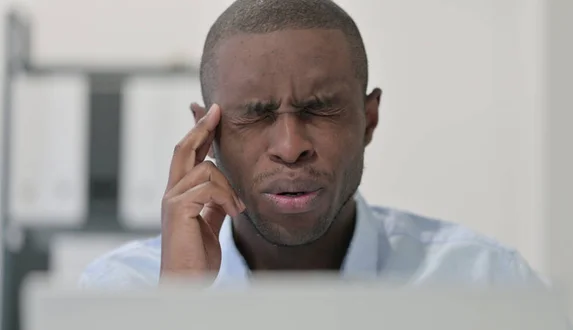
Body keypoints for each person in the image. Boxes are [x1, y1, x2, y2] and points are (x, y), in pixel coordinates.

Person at [80, 0, 547, 290]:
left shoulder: (484, 282)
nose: (289, 146)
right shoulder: (122, 292)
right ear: (205, 135)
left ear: (369, 119)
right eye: (256, 113)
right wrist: (177, 312)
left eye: (320, 108)